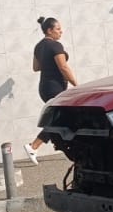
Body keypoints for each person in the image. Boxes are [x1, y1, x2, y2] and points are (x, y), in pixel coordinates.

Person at [27, 16, 78, 164]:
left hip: (44, 88)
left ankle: (38, 146)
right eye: (58, 29)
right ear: (49, 30)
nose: (61, 32)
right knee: (60, 119)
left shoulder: (38, 46)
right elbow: (63, 67)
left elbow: (36, 67)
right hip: (55, 87)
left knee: (60, 119)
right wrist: (76, 84)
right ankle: (34, 146)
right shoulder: (56, 46)